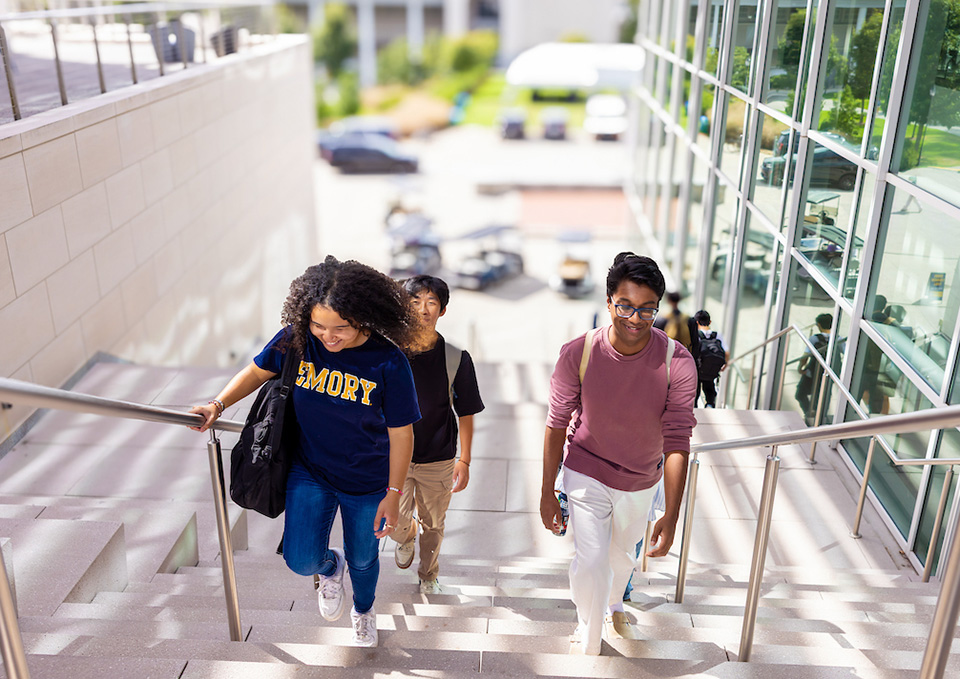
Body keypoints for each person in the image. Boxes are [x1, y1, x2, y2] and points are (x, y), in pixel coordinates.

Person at [190, 256, 421, 648]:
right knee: (300, 560)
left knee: (364, 559)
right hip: (309, 469)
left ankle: (364, 611)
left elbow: (402, 434)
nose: (328, 337)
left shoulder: (388, 362)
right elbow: (256, 371)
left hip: (367, 481)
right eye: (319, 325)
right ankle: (331, 567)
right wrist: (218, 404)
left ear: (363, 318)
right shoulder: (295, 339)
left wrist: (394, 494)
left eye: (341, 329)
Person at [540, 252, 697, 656]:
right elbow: (556, 423)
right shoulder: (579, 352)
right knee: (591, 560)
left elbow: (678, 439)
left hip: (641, 478)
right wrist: (545, 491)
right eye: (624, 306)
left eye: (647, 310)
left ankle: (612, 602)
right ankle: (589, 633)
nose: (634, 318)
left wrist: (672, 514)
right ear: (609, 302)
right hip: (585, 467)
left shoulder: (676, 361)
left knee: (622, 558)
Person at [391, 275, 484, 594]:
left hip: (439, 458)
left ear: (442, 310)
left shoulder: (456, 358)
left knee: (434, 526)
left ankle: (429, 575)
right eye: (415, 301)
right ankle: (406, 535)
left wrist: (465, 460)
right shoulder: (389, 354)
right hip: (394, 458)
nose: (423, 309)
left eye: (431, 302)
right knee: (394, 524)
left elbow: (467, 411)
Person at [796, 313, 833, 424]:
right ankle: (820, 418)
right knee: (823, 395)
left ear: (818, 324)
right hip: (828, 373)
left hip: (812, 372)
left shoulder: (814, 338)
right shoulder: (838, 338)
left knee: (800, 394)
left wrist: (800, 367)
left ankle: (809, 412)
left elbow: (805, 356)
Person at [654, 291, 701, 368]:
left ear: (668, 301)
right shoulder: (689, 320)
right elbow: (695, 343)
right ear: (679, 300)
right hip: (684, 361)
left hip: (666, 361)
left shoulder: (662, 320)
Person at [693, 310, 728, 408]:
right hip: (712, 369)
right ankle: (709, 405)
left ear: (696, 322)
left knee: (695, 391)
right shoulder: (717, 335)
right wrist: (725, 364)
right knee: (709, 389)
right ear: (710, 322)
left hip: (698, 368)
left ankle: (695, 410)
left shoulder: (696, 334)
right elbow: (727, 352)